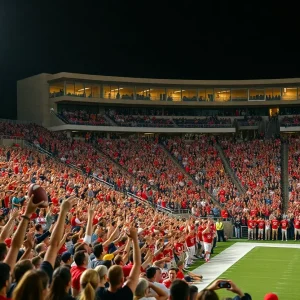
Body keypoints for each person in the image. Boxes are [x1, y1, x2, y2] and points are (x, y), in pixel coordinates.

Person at [95, 227, 141, 300]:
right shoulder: (126, 293)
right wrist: (135, 239)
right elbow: (137, 264)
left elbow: (137, 264)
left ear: (107, 279)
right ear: (122, 280)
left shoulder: (98, 293)